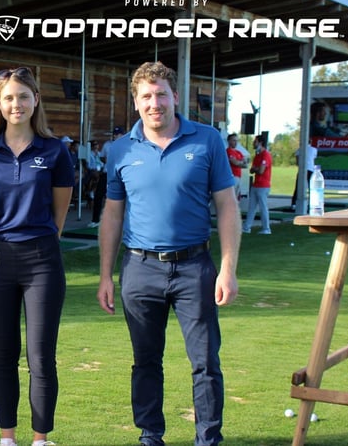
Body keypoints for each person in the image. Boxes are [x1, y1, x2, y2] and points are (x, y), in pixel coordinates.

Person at [96, 61, 240, 446]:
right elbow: (112, 214)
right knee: (145, 361)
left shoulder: (207, 139)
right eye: (146, 96)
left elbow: (227, 205)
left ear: (175, 96)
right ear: (136, 101)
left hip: (195, 268)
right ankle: (150, 435)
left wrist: (227, 268)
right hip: (140, 269)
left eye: (161, 94)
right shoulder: (121, 149)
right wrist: (105, 275)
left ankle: (208, 439)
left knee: (206, 362)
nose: (154, 102)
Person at [0, 66, 73, 446]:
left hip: (42, 259)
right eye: (9, 97)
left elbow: (60, 212)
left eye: (23, 96)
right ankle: (7, 438)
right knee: (4, 354)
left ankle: (41, 440)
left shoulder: (55, 150)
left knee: (41, 357)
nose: (17, 104)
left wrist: (36, 239)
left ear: (36, 100)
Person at [242, 134, 272, 235]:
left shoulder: (265, 155)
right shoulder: (257, 156)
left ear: (260, 142)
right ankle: (247, 227)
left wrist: (256, 169)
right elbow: (252, 170)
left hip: (263, 185)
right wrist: (256, 169)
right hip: (256, 185)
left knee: (263, 207)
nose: (253, 143)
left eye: (255, 142)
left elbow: (261, 171)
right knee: (251, 207)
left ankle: (266, 228)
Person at [86, 140, 106, 228]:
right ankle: (95, 220)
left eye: (96, 145)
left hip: (114, 173)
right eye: (94, 145)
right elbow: (102, 159)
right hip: (102, 172)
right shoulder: (107, 145)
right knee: (98, 196)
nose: (96, 147)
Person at [225, 133, 247, 201]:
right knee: (231, 198)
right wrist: (240, 162)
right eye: (234, 140)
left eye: (236, 140)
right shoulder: (228, 151)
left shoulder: (238, 152)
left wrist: (238, 162)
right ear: (229, 141)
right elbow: (235, 162)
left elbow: (245, 164)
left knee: (237, 197)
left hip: (238, 177)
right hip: (231, 177)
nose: (236, 142)